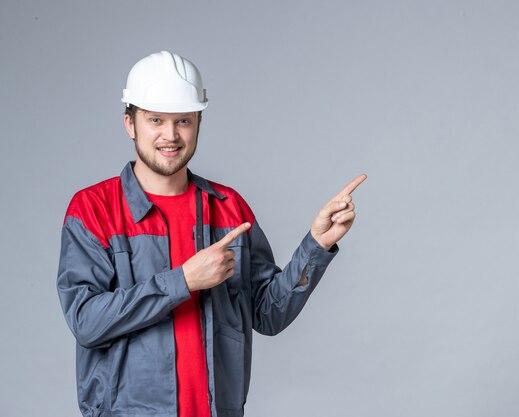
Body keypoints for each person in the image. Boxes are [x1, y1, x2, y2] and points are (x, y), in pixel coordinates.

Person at [56, 50, 366, 417]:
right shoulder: (94, 210)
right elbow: (86, 322)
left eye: (183, 121)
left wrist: (317, 245)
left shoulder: (228, 208)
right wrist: (184, 280)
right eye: (156, 119)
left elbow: (268, 315)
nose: (170, 135)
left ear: (198, 122)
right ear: (130, 123)